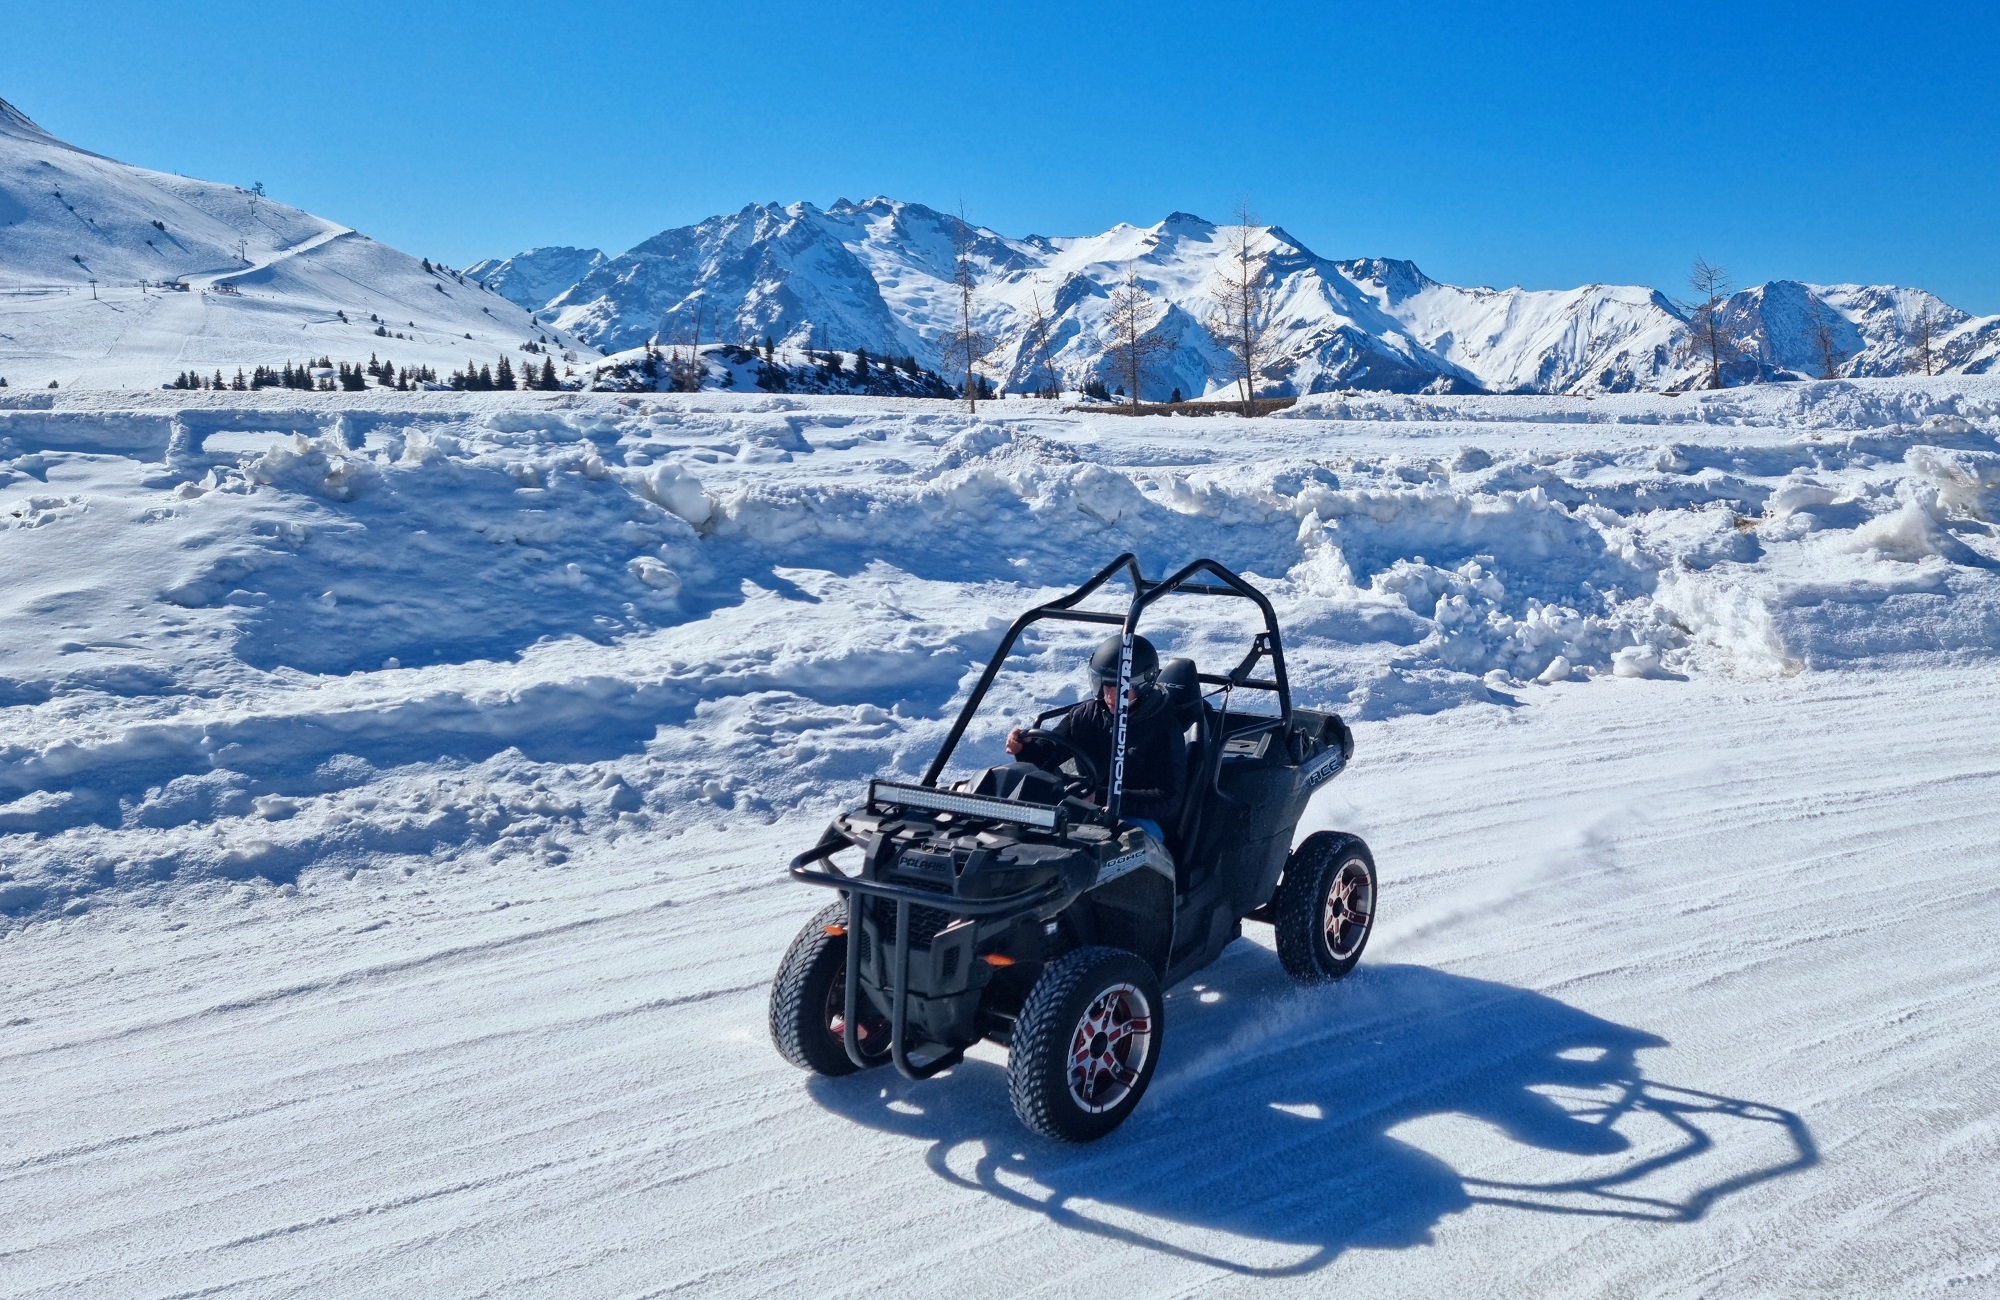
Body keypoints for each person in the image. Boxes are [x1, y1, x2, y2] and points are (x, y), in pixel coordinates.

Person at [1006, 633, 1187, 844]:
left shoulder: (1163, 728)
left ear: (1142, 684)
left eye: (1120, 688)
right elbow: (1046, 757)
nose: (1110, 696)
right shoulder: (1085, 715)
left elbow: (1167, 799)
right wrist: (1025, 748)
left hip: (1139, 820)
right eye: (1104, 685)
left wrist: (1101, 797)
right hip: (1084, 811)